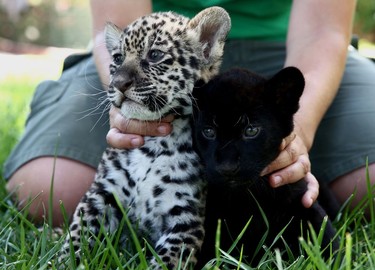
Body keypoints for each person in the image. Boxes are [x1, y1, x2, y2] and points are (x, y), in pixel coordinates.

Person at [4, 0, 374, 227]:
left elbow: (324, 31)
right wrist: (130, 104)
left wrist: (296, 136)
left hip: (291, 49)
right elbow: (114, 31)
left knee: (369, 184)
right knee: (49, 188)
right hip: (149, 57)